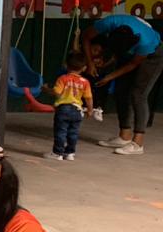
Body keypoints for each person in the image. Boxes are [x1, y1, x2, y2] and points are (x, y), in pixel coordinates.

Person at [83, 13, 163, 156]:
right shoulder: (110, 22)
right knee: (121, 90)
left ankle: (138, 144)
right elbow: (86, 37)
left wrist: (110, 77)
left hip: (153, 55)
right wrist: (90, 63)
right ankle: (124, 137)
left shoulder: (145, 43)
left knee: (138, 94)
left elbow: (133, 64)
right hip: (129, 54)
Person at [47, 52, 93, 162]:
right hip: (77, 110)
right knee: (73, 133)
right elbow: (88, 98)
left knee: (61, 131)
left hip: (63, 109)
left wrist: (46, 89)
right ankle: (70, 153)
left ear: (65, 65)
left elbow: (57, 92)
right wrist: (90, 110)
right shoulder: (85, 82)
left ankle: (57, 153)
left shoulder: (63, 78)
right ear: (84, 68)